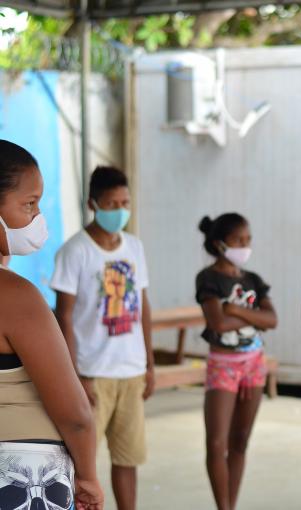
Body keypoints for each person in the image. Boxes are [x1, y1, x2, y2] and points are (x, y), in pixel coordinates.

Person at [0, 139, 103, 509]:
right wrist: (88, 476)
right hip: (24, 478)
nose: (37, 216)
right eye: (28, 204)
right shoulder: (16, 297)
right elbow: (75, 414)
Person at [52, 166, 153, 510]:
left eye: (125, 203)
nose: (120, 211)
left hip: (131, 370)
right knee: (82, 463)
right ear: (92, 203)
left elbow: (143, 307)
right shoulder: (75, 251)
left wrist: (149, 365)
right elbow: (63, 315)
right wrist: (74, 376)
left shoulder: (135, 247)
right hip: (91, 374)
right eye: (112, 204)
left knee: (128, 458)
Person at [196, 213, 278, 510]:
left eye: (248, 239)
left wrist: (236, 310)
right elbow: (216, 323)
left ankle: (232, 502)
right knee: (217, 443)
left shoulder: (253, 280)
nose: (245, 246)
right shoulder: (208, 279)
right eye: (238, 241)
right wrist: (250, 317)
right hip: (224, 365)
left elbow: (272, 319)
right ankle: (224, 506)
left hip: (254, 363)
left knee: (241, 439)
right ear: (220, 244)